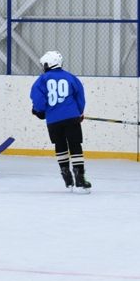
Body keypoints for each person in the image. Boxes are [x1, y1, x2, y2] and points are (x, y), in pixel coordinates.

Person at [30, 50, 90, 192]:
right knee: (75, 145)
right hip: (71, 117)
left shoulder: (41, 80)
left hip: (53, 121)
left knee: (60, 145)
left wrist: (39, 111)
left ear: (48, 64)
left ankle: (66, 175)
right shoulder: (71, 78)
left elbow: (38, 100)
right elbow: (80, 97)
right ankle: (80, 178)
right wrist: (79, 112)